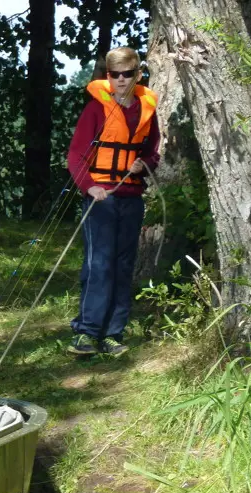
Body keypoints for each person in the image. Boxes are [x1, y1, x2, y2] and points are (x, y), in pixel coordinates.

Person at [66, 47, 160, 357]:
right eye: (114, 75)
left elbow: (153, 151)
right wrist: (90, 187)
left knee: (123, 265)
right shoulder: (95, 110)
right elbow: (76, 155)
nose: (121, 80)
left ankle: (113, 334)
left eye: (127, 74)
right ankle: (87, 332)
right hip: (101, 198)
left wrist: (144, 163)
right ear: (108, 76)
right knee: (99, 264)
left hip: (131, 197)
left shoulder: (146, 109)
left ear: (138, 74)